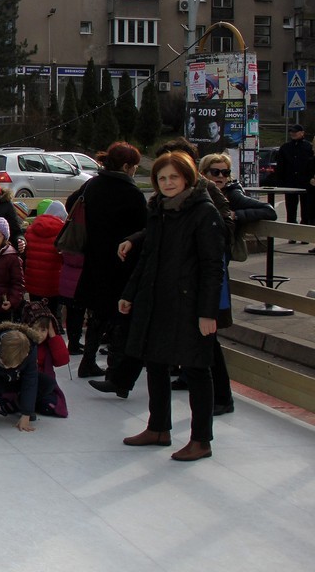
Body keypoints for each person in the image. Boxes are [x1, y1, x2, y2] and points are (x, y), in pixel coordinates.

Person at [119, 151, 224, 462]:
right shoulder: (159, 211)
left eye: (173, 177)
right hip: (158, 300)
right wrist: (130, 292)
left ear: (187, 178)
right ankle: (158, 427)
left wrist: (208, 312)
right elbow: (149, 257)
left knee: (196, 369)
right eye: (162, 178)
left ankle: (201, 439)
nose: (167, 183)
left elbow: (212, 265)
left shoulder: (204, 213)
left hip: (189, 305)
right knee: (155, 363)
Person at [195, 152, 277, 413]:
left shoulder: (231, 194)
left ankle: (222, 398)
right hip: (201, 275)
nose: (221, 177)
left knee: (209, 339)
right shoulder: (198, 194)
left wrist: (233, 216)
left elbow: (269, 211)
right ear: (203, 173)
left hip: (215, 276)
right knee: (200, 338)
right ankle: (201, 385)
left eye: (224, 172)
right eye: (215, 172)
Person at [68, 142, 147, 379]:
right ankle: (116, 367)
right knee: (120, 315)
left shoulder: (93, 184)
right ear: (126, 166)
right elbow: (145, 226)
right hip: (122, 260)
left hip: (93, 257)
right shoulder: (131, 192)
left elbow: (71, 203)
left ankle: (88, 360)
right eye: (134, 166)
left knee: (98, 313)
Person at [276, 123, 314, 230]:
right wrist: (280, 182)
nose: (293, 134)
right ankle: (291, 231)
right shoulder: (285, 148)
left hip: (305, 183)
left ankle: (305, 231)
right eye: (291, 132)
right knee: (291, 209)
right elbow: (280, 166)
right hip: (290, 183)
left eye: (295, 132)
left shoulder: (308, 147)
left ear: (302, 133)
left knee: (306, 210)